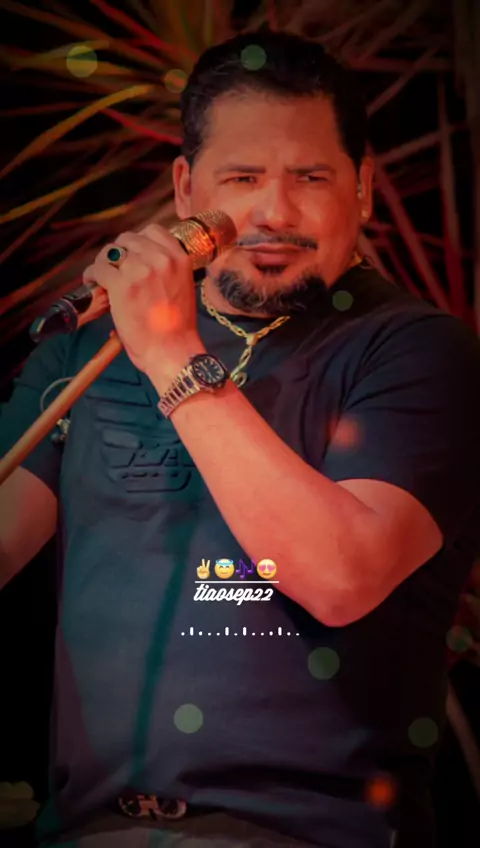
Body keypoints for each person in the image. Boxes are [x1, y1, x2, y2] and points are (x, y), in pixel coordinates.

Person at [1, 27, 480, 848]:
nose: (274, 212)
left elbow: (338, 577)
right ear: (186, 188)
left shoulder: (418, 352)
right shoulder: (89, 351)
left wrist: (171, 355)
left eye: (311, 178)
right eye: (244, 178)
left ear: (364, 189)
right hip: (87, 831)